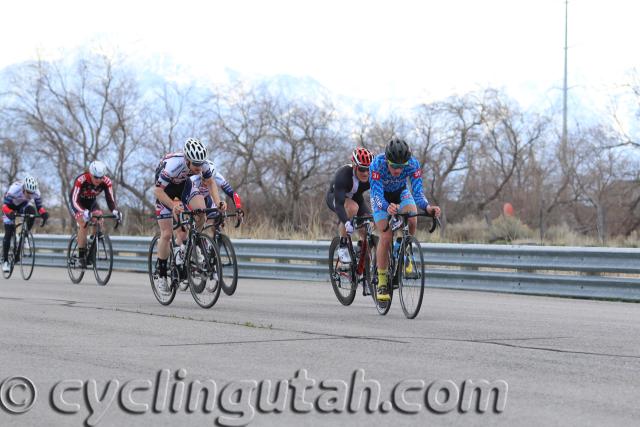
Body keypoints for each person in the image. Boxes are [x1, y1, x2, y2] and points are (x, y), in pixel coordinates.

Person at [369, 138, 441, 301]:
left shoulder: (413, 164)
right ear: (387, 160)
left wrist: (428, 208)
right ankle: (381, 281)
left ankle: (404, 249)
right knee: (386, 236)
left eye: (401, 167)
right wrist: (387, 207)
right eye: (394, 166)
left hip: (401, 192)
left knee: (412, 218)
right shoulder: (377, 165)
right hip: (380, 198)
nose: (397, 170)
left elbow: (417, 193)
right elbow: (377, 195)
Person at [153, 138, 226, 292]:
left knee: (201, 212)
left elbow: (211, 182)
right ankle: (161, 274)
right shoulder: (173, 166)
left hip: (184, 186)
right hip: (165, 191)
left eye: (201, 164)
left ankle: (190, 245)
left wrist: (218, 202)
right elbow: (157, 190)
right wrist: (173, 204)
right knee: (166, 234)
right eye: (196, 165)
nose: (199, 168)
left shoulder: (202, 163)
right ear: (187, 160)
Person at [326, 147, 373, 266]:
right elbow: (340, 206)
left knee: (368, 224)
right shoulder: (343, 175)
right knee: (352, 208)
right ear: (354, 165)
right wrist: (347, 223)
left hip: (356, 198)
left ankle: (361, 255)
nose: (366, 173)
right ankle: (342, 245)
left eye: (368, 169)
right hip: (336, 199)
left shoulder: (371, 176)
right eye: (362, 169)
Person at [69, 161, 121, 267]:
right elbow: (74, 200)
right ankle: (81, 256)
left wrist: (115, 211)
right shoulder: (81, 180)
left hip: (91, 202)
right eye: (96, 177)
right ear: (90, 174)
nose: (98, 180)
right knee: (84, 223)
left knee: (99, 219)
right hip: (78, 203)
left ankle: (93, 243)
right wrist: (83, 212)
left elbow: (110, 199)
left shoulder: (106, 182)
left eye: (101, 177)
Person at [2, 176, 49, 272]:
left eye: (32, 193)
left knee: (31, 210)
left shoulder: (36, 192)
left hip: (22, 206)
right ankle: (5, 261)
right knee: (9, 232)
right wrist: (10, 213)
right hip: (9, 207)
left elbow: (39, 207)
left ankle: (25, 234)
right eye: (28, 192)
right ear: (24, 188)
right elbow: (4, 206)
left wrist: (44, 213)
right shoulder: (14, 190)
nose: (29, 195)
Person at [189, 160, 244, 228]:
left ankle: (211, 236)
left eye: (208, 180)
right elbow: (185, 197)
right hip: (191, 199)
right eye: (203, 180)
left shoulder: (218, 177)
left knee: (217, 220)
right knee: (196, 221)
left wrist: (238, 208)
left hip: (207, 199)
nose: (206, 183)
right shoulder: (193, 179)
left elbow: (232, 193)